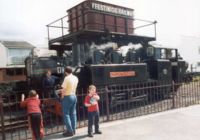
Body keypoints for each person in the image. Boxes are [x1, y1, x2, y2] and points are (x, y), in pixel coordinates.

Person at [61, 66, 78, 137]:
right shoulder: (76, 78)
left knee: (66, 114)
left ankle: (70, 131)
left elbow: (64, 89)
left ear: (65, 72)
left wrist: (62, 97)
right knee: (73, 113)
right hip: (74, 96)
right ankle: (74, 130)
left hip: (68, 97)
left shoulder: (66, 78)